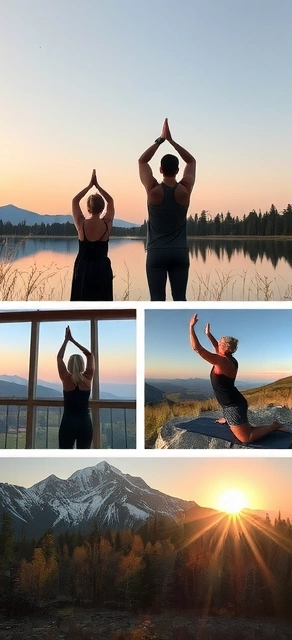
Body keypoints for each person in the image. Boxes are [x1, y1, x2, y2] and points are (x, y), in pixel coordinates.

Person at [189, 314, 286, 443]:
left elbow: (197, 348)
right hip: (232, 404)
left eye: (220, 343)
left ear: (226, 348)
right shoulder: (229, 359)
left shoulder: (223, 362)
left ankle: (275, 425)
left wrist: (191, 327)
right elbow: (217, 347)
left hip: (233, 406)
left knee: (246, 437)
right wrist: (208, 334)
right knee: (242, 427)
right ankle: (231, 421)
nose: (217, 344)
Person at [138, 118, 196, 301]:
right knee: (180, 298)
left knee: (156, 299)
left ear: (160, 169)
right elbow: (191, 161)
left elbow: (142, 161)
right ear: (178, 170)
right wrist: (172, 141)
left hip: (156, 252)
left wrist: (160, 140)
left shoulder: (153, 191)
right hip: (180, 251)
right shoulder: (184, 190)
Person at [69, 170, 114, 301]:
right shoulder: (107, 224)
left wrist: (90, 185)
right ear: (102, 209)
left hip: (83, 268)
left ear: (88, 209)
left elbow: (75, 200)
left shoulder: (81, 224)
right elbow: (110, 201)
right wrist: (98, 186)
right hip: (102, 269)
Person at [57, 326, 94, 449]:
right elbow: (89, 355)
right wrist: (73, 340)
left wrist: (66, 341)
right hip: (85, 423)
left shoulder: (66, 379)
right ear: (82, 365)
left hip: (68, 422)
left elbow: (59, 358)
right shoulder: (88, 378)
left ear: (69, 365)